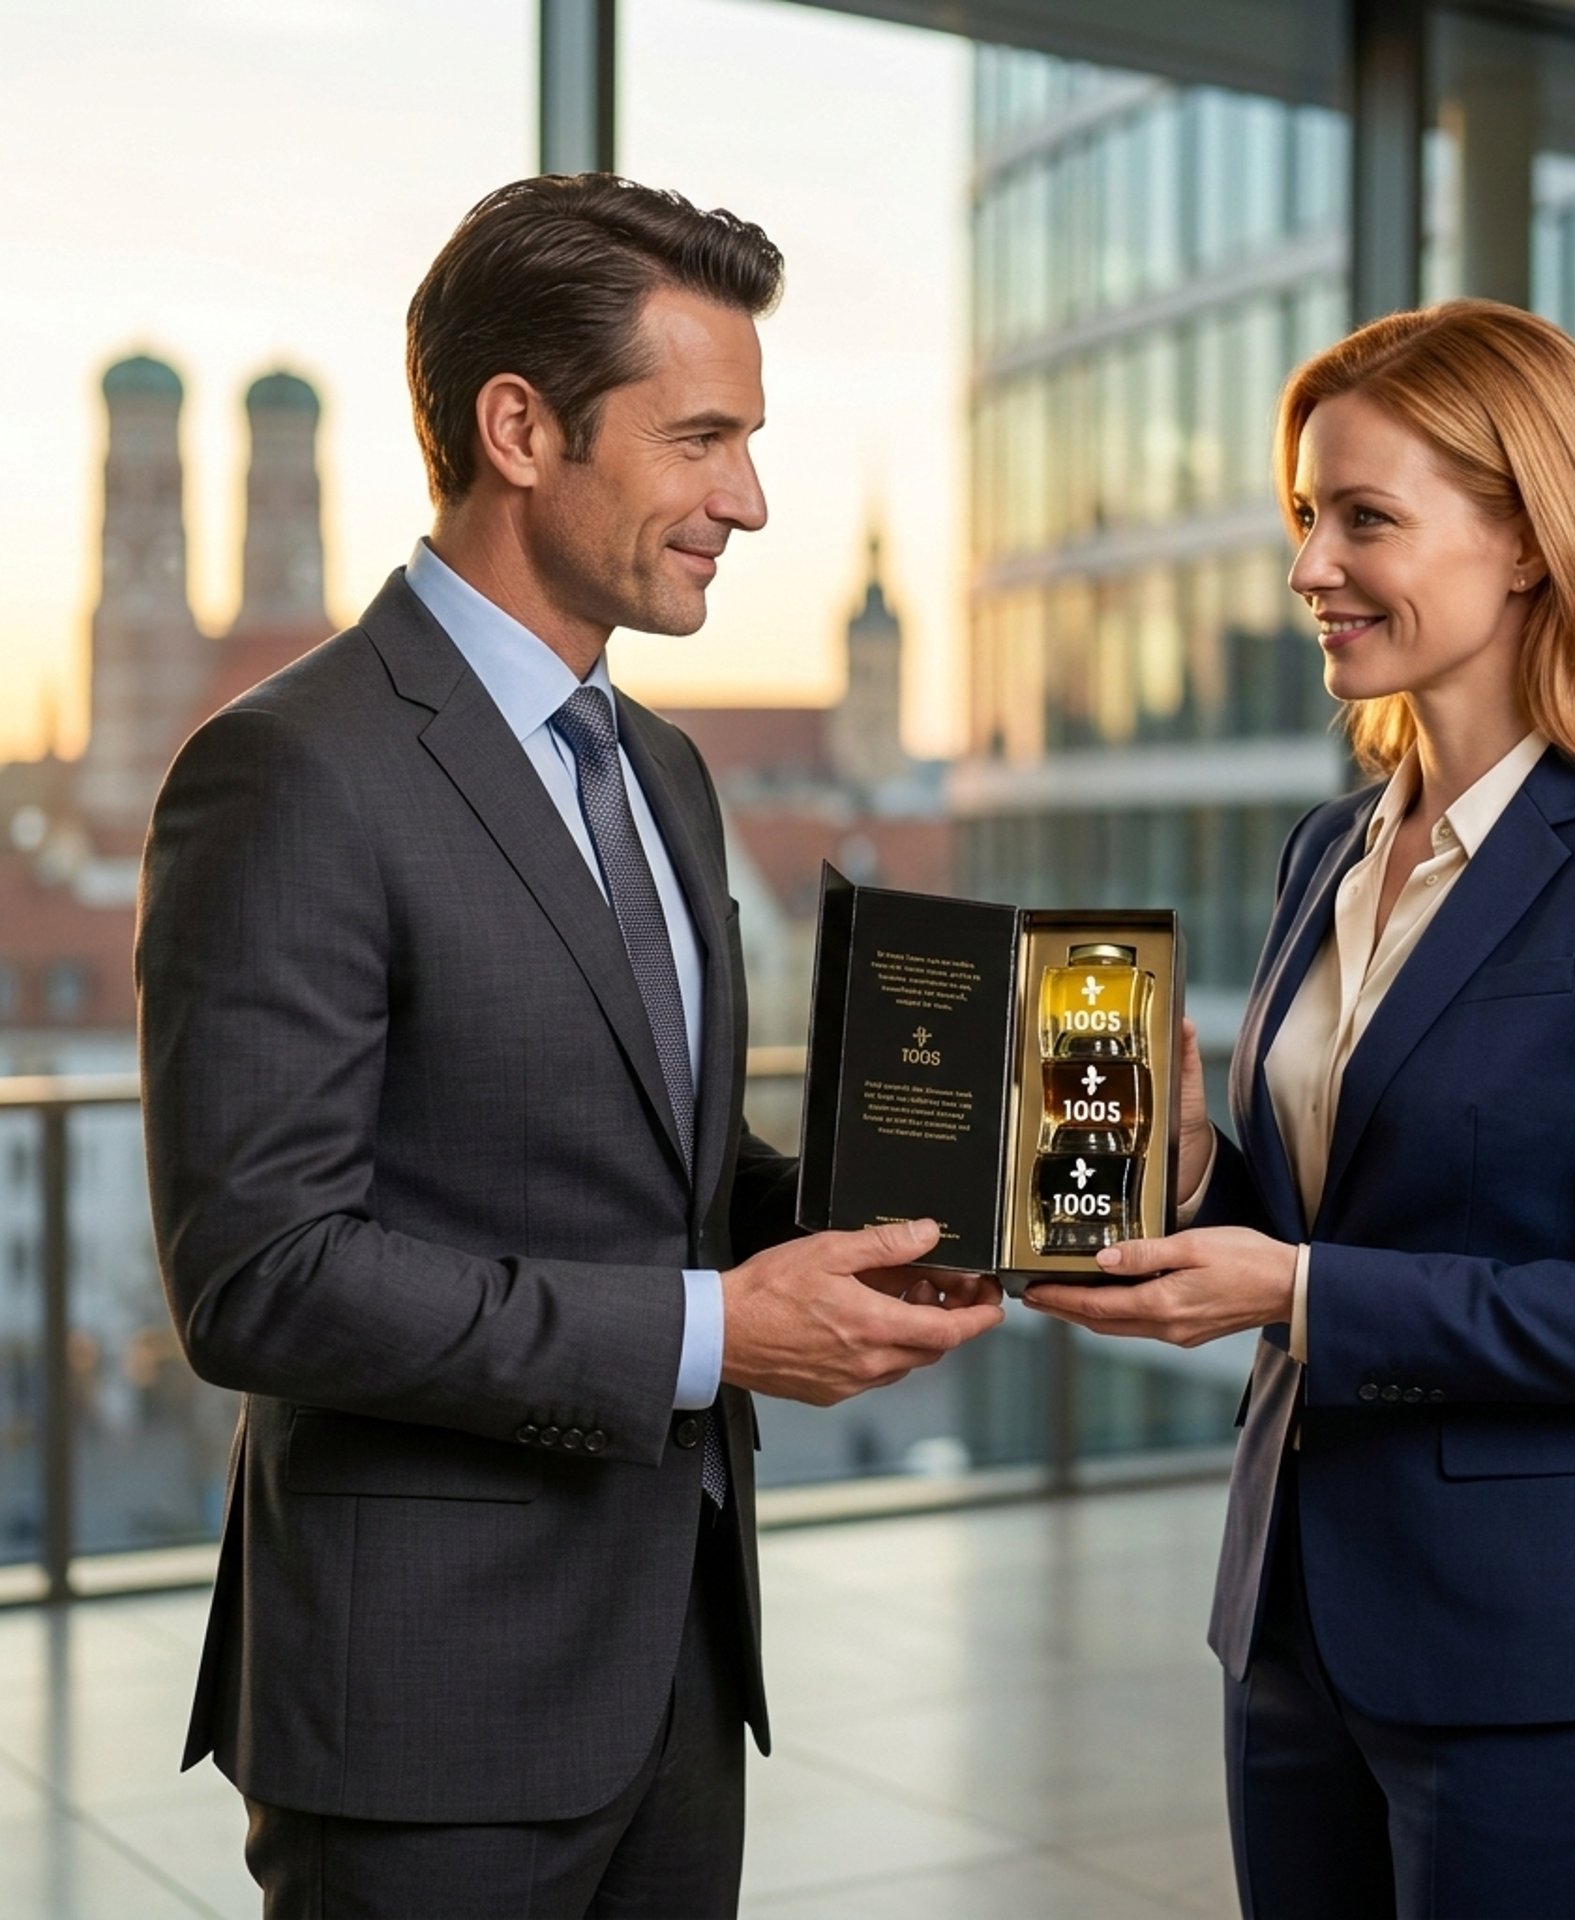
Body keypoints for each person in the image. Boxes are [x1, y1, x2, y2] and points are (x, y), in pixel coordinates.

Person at [136, 174, 1002, 1920]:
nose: (747, 501)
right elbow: (260, 1278)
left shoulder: (663, 769)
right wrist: (714, 1334)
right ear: (519, 428)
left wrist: (943, 1199)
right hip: (427, 1707)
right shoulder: (291, 770)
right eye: (700, 440)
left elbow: (669, 1176)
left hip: (675, 1663)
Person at [1025, 299, 1575, 1920]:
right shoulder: (1334, 851)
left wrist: (1293, 1294)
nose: (1311, 566)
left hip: (1532, 1660)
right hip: (1291, 1620)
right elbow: (1331, 1216)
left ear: (1530, 539)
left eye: (1366, 518)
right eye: (1306, 516)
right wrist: (1188, 1170)